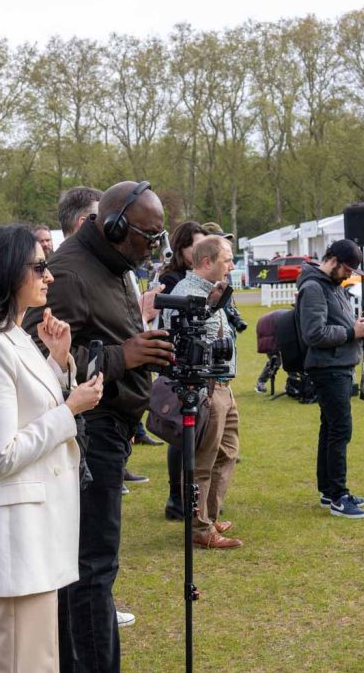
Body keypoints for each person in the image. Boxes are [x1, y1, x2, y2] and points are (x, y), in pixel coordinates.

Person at [0, 225, 104, 673]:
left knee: (40, 658)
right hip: (16, 536)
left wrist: (58, 359)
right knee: (22, 662)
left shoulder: (14, 334)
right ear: (8, 272)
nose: (48, 275)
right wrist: (71, 409)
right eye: (38, 266)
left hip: (36, 529)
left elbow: (33, 407)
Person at [24, 181, 174, 673]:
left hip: (110, 429)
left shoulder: (111, 265)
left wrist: (139, 343)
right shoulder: (67, 273)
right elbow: (34, 358)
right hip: (89, 433)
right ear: (112, 227)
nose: (154, 247)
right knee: (92, 568)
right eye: (148, 237)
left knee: (93, 566)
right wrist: (122, 355)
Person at [163, 236, 243, 549]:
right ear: (206, 261)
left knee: (228, 452)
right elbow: (180, 345)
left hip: (223, 384)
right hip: (205, 388)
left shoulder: (214, 292)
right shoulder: (186, 295)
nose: (232, 266)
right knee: (203, 460)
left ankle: (208, 515)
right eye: (227, 259)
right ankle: (200, 528)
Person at [296, 239, 364, 520]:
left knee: (330, 429)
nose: (349, 275)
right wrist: (350, 333)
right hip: (328, 368)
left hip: (338, 365)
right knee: (340, 431)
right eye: (347, 269)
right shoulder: (314, 287)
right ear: (332, 260)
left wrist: (361, 330)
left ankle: (330, 491)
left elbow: (340, 325)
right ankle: (339, 497)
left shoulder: (331, 286)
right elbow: (314, 333)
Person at [157, 220, 207, 520]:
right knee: (180, 431)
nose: (201, 253)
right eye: (195, 247)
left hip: (192, 359)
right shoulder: (173, 280)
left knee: (193, 430)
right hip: (176, 360)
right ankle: (177, 497)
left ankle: (187, 496)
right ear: (181, 248)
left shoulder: (191, 277)